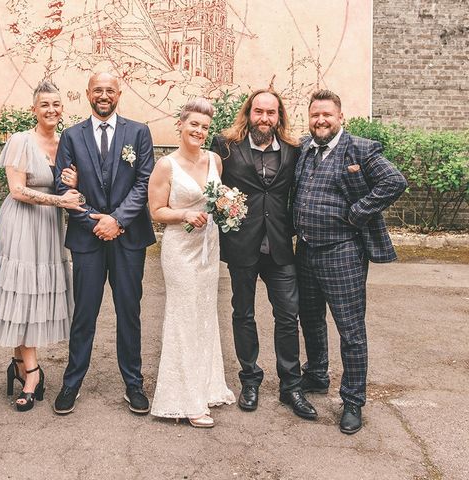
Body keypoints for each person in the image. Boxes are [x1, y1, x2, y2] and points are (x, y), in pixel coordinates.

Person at [293, 89, 407, 434]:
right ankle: (316, 375)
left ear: (340, 117)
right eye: (315, 115)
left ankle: (353, 401)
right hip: (306, 251)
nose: (321, 120)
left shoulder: (360, 149)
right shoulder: (304, 148)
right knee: (310, 319)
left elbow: (394, 181)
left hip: (342, 253)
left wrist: (358, 212)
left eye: (327, 115)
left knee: (351, 330)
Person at [0, 81, 85, 412]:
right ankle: (33, 372)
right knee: (22, 293)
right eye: (44, 105)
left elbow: (75, 185)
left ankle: (18, 363)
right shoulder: (20, 141)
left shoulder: (66, 143)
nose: (51, 110)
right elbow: (17, 190)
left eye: (56, 104)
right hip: (22, 223)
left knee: (36, 294)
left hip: (50, 228)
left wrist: (75, 186)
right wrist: (60, 200)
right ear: (33, 110)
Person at [52, 72, 156, 415]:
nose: (103, 95)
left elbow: (144, 182)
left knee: (130, 312)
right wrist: (94, 221)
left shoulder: (138, 133)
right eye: (98, 90)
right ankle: (72, 383)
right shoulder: (71, 136)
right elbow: (62, 187)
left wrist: (117, 220)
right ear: (88, 94)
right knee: (84, 313)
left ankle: (133, 384)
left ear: (119, 94)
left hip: (128, 238)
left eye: (109, 90)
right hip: (88, 238)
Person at [209, 89, 317, 420]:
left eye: (271, 113)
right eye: (259, 112)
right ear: (249, 113)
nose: (264, 118)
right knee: (243, 315)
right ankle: (250, 380)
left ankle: (291, 386)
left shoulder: (293, 150)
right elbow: (210, 188)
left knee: (288, 316)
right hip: (242, 246)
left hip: (281, 247)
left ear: (279, 116)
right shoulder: (225, 147)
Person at [148, 98, 235, 428]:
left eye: (204, 126)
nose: (199, 130)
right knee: (183, 318)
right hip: (180, 251)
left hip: (208, 248)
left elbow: (218, 199)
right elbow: (156, 211)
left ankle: (207, 386)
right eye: (193, 124)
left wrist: (229, 206)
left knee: (205, 316)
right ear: (180, 125)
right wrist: (184, 213)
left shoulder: (215, 159)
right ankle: (184, 400)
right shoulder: (165, 166)